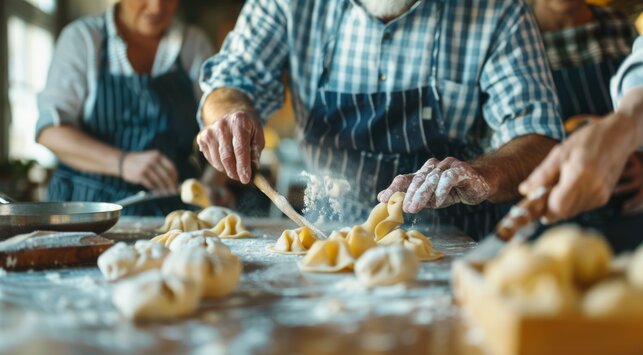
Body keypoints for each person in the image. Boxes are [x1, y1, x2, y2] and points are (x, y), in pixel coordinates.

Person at [197, 0, 565, 239]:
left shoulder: (497, 10)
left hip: (451, 258)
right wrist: (230, 112)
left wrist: (484, 174)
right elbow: (230, 80)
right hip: (322, 242)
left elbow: (539, 139)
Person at [36, 0, 213, 215]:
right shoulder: (83, 38)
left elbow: (220, 125)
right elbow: (50, 132)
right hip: (88, 212)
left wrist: (211, 184)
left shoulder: (193, 44)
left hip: (173, 214)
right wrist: (123, 162)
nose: (156, 7)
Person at [521, 36, 643, 250]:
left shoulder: (614, 28)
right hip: (558, 207)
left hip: (628, 207)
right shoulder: (525, 40)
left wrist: (627, 137)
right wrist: (626, 125)